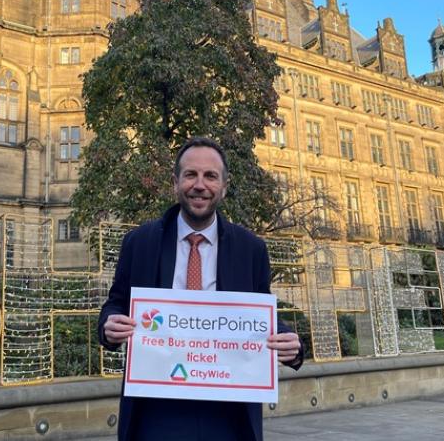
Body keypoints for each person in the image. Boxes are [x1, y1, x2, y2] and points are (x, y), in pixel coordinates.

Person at [98, 137, 304, 441]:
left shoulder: (251, 249)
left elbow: (262, 318)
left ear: (223, 186)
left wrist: (291, 345)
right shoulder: (139, 242)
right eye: (190, 174)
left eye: (210, 176)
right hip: (156, 409)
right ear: (176, 182)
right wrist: (109, 325)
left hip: (227, 412)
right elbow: (115, 304)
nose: (200, 185)